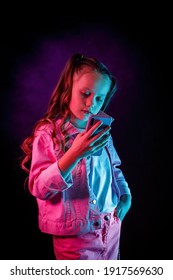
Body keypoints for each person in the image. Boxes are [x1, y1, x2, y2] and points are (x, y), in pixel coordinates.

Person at [20, 53, 132, 260]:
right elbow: (38, 187)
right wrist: (74, 154)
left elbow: (114, 168)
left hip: (111, 228)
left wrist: (125, 194)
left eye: (99, 98)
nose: (91, 104)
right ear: (68, 89)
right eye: (85, 93)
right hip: (76, 238)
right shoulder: (49, 134)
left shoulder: (101, 129)